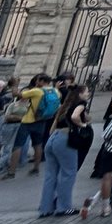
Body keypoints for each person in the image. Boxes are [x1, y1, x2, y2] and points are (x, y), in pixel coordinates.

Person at [39, 85, 91, 217]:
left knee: (50, 175)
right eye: (86, 92)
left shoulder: (64, 106)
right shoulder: (81, 104)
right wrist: (82, 125)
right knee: (68, 174)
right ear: (80, 94)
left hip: (53, 139)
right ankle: (63, 207)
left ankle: (46, 208)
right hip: (65, 139)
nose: (88, 94)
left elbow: (52, 128)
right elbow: (75, 117)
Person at [2, 74, 57, 179]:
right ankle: (36, 168)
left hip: (28, 121)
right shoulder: (55, 91)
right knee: (38, 145)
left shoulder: (37, 91)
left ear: (41, 81)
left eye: (37, 81)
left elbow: (16, 94)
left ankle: (11, 172)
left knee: (17, 146)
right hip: (42, 120)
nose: (36, 83)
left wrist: (14, 84)